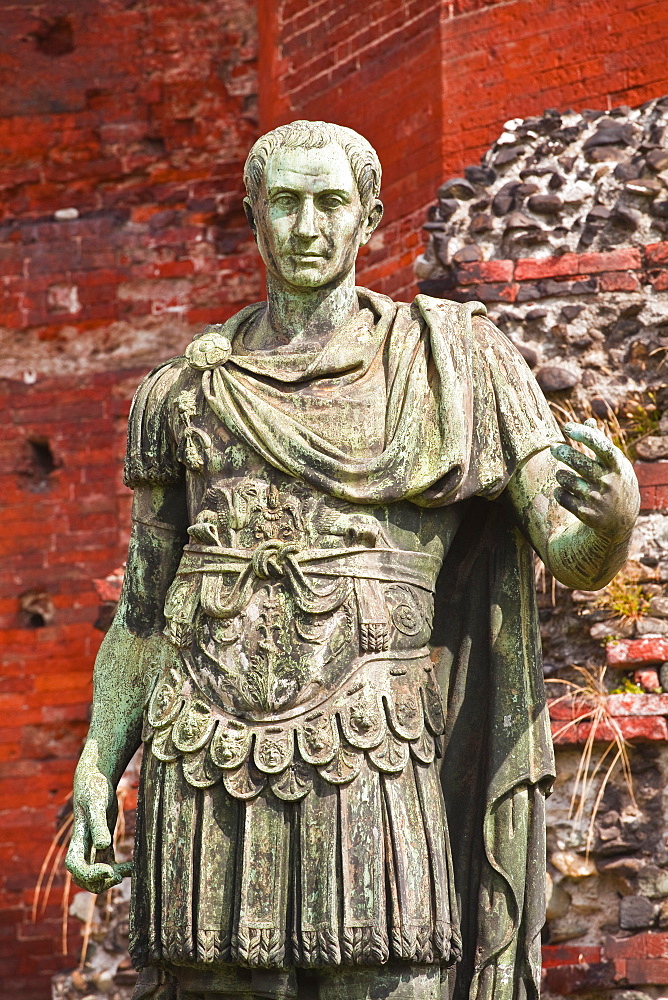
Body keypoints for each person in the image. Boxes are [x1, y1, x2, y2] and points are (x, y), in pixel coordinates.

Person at [66, 121, 639, 1000]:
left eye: (330, 202)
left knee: (396, 975)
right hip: (203, 745)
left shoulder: (453, 363)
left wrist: (612, 522)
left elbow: (570, 550)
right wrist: (100, 766)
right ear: (253, 216)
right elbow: (144, 614)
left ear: (369, 217)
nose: (307, 227)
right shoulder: (181, 393)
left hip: (372, 739)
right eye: (285, 203)